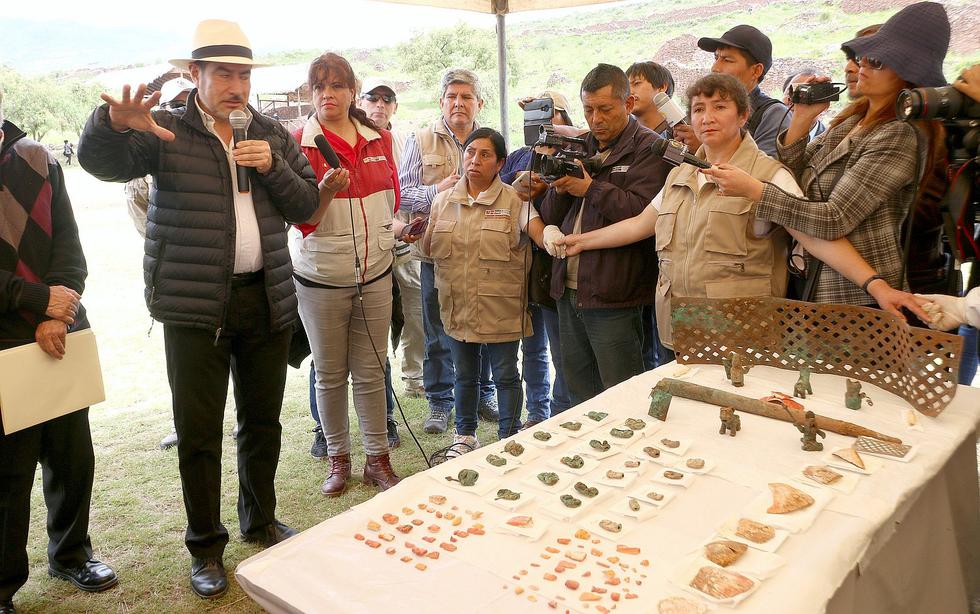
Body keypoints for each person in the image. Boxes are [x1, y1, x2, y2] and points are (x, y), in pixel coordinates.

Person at [77, 20, 319, 599]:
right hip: (193, 307)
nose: (236, 86)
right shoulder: (163, 128)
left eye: (243, 74)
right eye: (224, 73)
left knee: (262, 421)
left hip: (264, 299)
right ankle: (206, 546)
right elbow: (100, 163)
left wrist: (272, 166)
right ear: (195, 74)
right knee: (199, 432)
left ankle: (260, 522)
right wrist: (110, 123)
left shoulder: (267, 131)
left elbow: (309, 202)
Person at [559, 74, 920, 352]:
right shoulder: (680, 174)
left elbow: (814, 235)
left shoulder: (769, 175)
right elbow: (640, 225)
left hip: (742, 331)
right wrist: (580, 242)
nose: (707, 117)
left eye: (720, 107)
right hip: (682, 327)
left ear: (744, 115)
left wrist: (876, 284)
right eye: (699, 109)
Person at [712, 2, 948, 314]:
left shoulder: (899, 135)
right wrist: (802, 119)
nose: (860, 66)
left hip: (856, 297)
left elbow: (833, 219)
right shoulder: (852, 122)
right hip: (816, 281)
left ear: (908, 73)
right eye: (861, 56)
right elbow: (794, 174)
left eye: (875, 60)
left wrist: (755, 190)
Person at [0, 88, 118, 614]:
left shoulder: (34, 156)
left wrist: (58, 309)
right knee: (8, 470)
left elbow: (69, 244)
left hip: (61, 329)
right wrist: (35, 298)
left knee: (72, 455)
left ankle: (71, 554)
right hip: (4, 339)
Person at [290, 53, 411, 497]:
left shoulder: (378, 138)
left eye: (337, 85)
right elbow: (300, 218)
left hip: (376, 272)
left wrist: (402, 229)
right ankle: (338, 459)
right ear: (309, 92)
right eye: (319, 85)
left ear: (352, 91)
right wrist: (322, 193)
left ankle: (377, 460)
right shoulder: (297, 143)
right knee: (329, 373)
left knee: (373, 369)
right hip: (320, 275)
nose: (328, 93)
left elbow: (389, 204)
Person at [539, 63, 669, 405]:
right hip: (567, 288)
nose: (596, 119)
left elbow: (642, 215)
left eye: (605, 109)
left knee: (621, 395)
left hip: (615, 293)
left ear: (628, 104)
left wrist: (589, 188)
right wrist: (561, 190)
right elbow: (550, 214)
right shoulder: (580, 144)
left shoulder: (650, 148)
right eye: (588, 110)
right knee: (578, 394)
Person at [422, 128, 550, 450]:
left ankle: (508, 438)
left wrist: (559, 238)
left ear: (500, 163)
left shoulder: (515, 201)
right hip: (458, 306)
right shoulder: (442, 201)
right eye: (470, 152)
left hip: (500, 311)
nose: (474, 160)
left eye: (485, 155)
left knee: (506, 376)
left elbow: (541, 235)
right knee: (464, 376)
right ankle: (464, 437)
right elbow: (427, 250)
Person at [399, 68, 498, 434]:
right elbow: (402, 194)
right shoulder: (421, 139)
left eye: (466, 97)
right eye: (452, 96)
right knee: (437, 330)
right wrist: (436, 191)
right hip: (436, 254)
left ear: (479, 103)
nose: (459, 103)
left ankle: (483, 392)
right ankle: (440, 401)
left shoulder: (491, 140)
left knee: (483, 324)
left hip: (483, 253)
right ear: (442, 101)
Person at [120, 76, 195, 452]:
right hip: (176, 278)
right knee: (183, 366)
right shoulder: (144, 166)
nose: (182, 111)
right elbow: (145, 227)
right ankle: (184, 424)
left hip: (223, 272)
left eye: (188, 102)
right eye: (175, 105)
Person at [501, 90, 574, 426]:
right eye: (533, 114)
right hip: (522, 266)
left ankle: (559, 412)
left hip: (559, 264)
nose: (542, 121)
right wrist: (517, 188)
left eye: (549, 112)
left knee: (562, 349)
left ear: (565, 116)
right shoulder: (519, 156)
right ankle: (537, 412)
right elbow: (500, 196)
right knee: (531, 347)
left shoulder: (577, 153)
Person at [626, 61, 676, 368]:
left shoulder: (678, 135)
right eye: (627, 84)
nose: (630, 90)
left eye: (637, 83)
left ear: (662, 90)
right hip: (633, 254)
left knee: (664, 347)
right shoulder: (626, 138)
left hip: (665, 254)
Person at [675, 24, 792, 157]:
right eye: (716, 58)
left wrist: (705, 147)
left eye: (727, 60)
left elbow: (764, 172)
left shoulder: (774, 114)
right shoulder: (703, 108)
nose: (715, 68)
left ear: (756, 70)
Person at [626, 61, 676, 137]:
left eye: (636, 83)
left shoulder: (684, 133)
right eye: (626, 88)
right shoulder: (623, 138)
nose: (630, 92)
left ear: (662, 87)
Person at [782, 69, 826, 139]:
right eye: (790, 92)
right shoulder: (768, 130)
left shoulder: (831, 142)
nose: (794, 99)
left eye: (806, 95)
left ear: (824, 107)